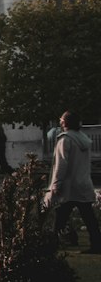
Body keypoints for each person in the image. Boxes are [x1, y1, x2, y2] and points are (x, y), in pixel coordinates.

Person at [46, 109, 101, 254]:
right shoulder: (83, 139)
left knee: (60, 216)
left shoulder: (65, 140)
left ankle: (52, 243)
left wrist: (56, 183)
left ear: (65, 122)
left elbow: (61, 164)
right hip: (83, 183)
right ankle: (96, 243)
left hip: (70, 186)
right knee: (89, 218)